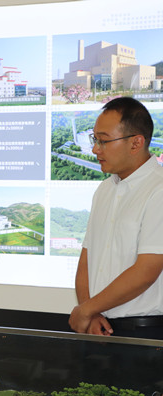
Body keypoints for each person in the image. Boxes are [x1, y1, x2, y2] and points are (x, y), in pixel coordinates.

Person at [69, 97, 163, 339]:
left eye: (103, 141)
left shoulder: (158, 188)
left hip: (145, 332)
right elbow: (87, 259)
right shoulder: (105, 189)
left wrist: (86, 310)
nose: (95, 149)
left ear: (136, 143)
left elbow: (147, 270)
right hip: (99, 325)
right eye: (95, 140)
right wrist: (90, 311)